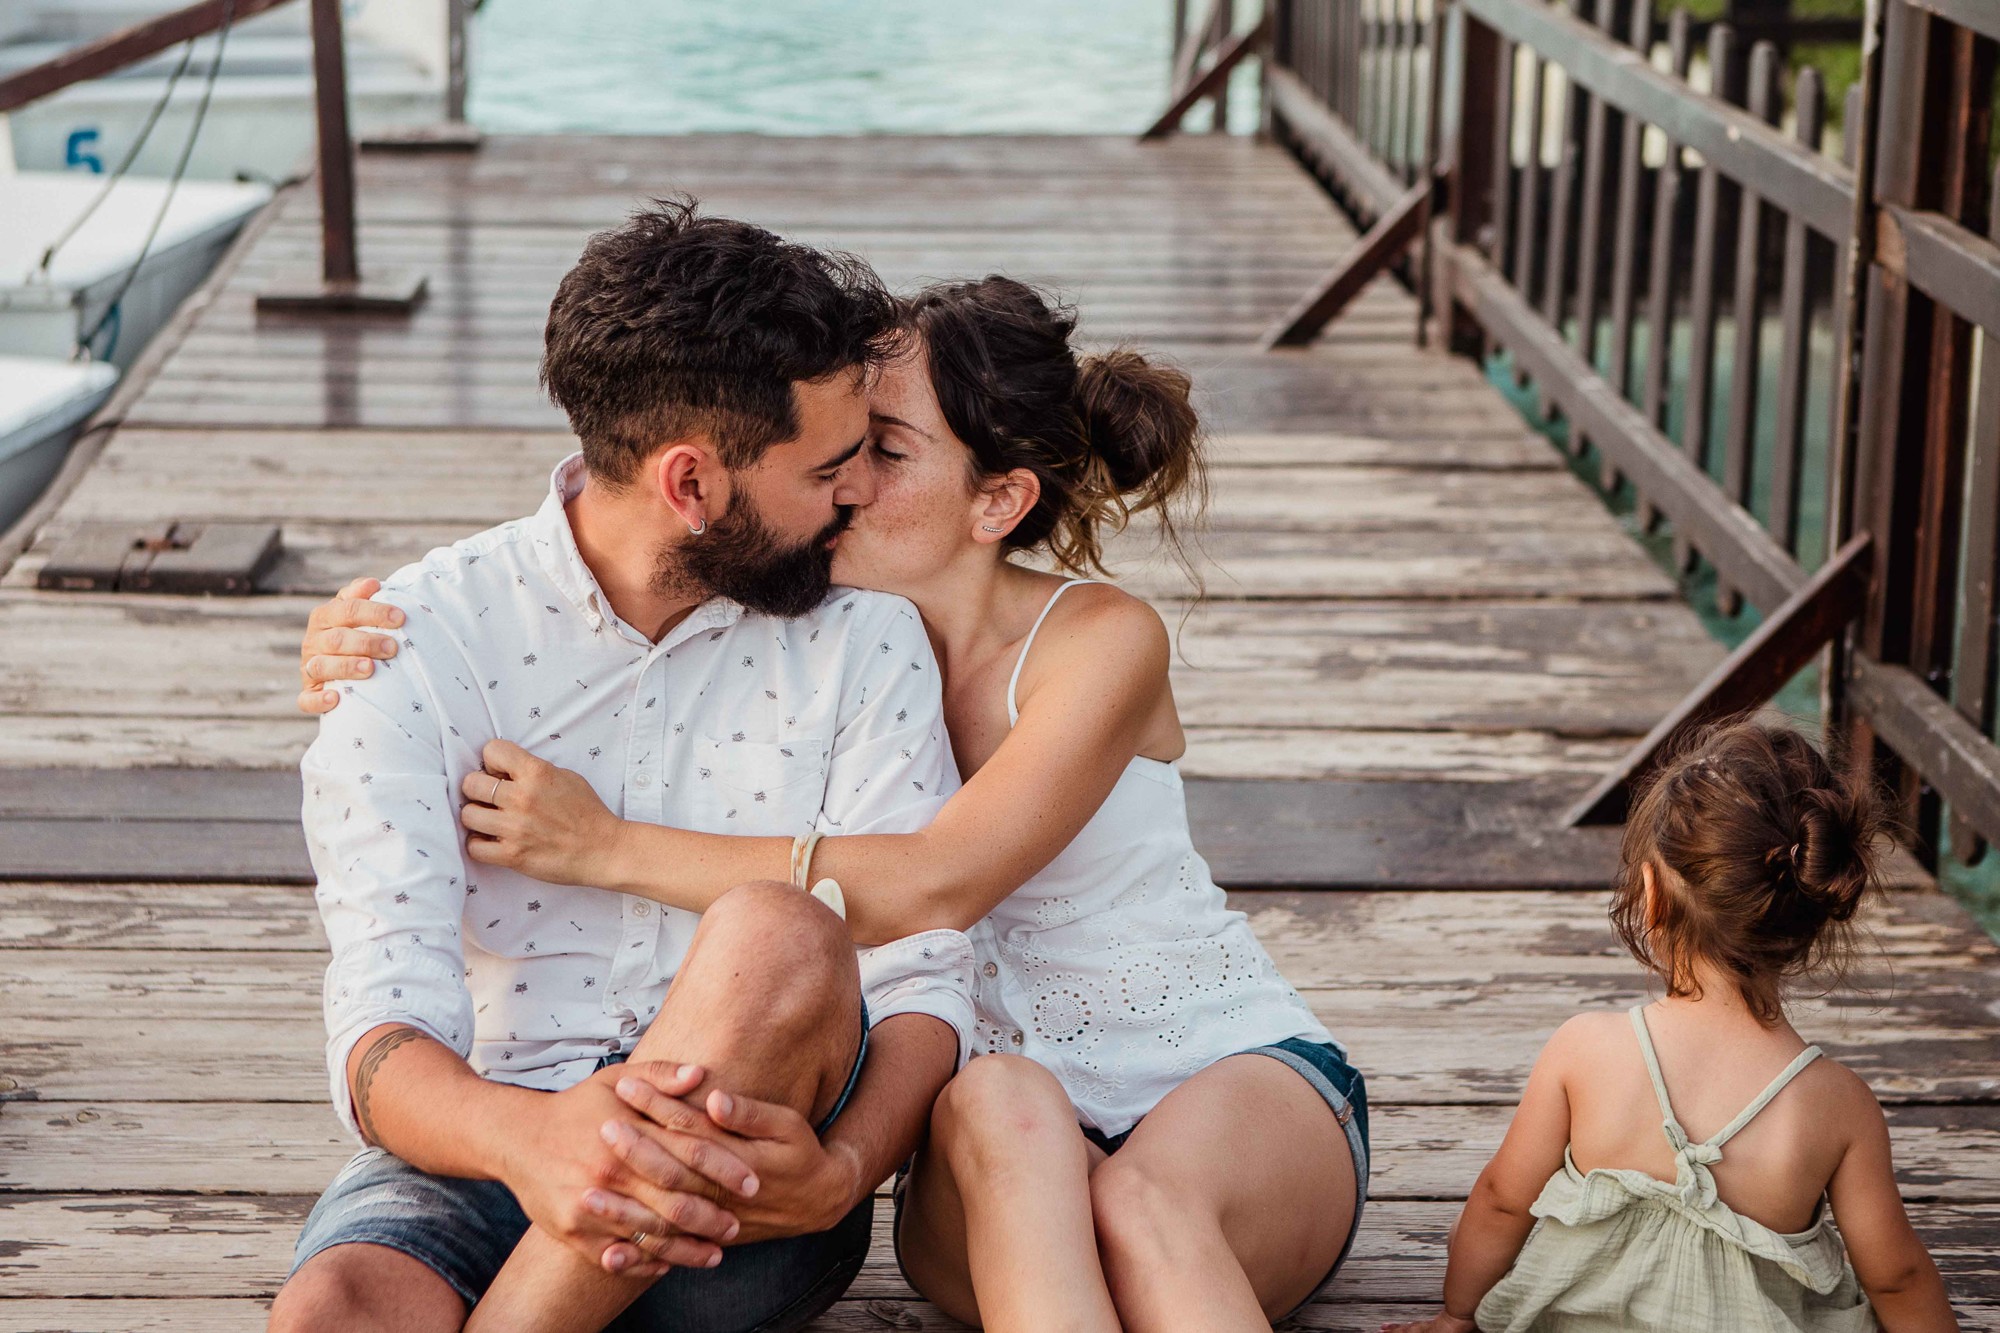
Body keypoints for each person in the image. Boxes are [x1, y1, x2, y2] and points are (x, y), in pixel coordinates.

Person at [298, 274, 1367, 1332]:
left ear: (997, 501)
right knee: (1003, 1105)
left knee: (1139, 1208)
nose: (846, 483)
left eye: (882, 451)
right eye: (839, 453)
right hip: (1000, 1118)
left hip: (1200, 1072)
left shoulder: (1067, 641)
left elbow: (932, 890)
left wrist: (606, 847)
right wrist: (375, 652)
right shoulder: (816, 617)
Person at [269, 199, 984, 1333]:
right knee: (336, 1307)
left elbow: (924, 976)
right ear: (690, 484)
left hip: (741, 1190)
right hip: (491, 1141)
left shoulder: (865, 634)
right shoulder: (416, 641)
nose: (855, 491)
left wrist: (843, 1172)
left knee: (779, 926)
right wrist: (537, 1140)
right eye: (829, 466)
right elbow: (380, 1022)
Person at [1381, 720, 1958, 1333]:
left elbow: (1502, 1200)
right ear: (1808, 917)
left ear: (1651, 898)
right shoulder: (1838, 1104)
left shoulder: (1588, 1049)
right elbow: (1896, 1275)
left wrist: (1456, 1314)